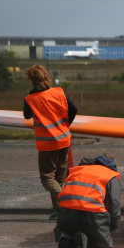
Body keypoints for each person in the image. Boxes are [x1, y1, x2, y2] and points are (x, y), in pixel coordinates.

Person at [23, 65, 78, 219]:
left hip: (48, 143)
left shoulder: (30, 99)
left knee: (47, 177)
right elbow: (74, 108)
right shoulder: (59, 92)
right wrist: (66, 125)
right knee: (59, 177)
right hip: (64, 139)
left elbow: (27, 116)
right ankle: (59, 210)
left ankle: (65, 200)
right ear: (47, 76)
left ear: (32, 80)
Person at [54, 155, 121, 248]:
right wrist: (111, 227)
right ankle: (87, 244)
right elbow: (114, 207)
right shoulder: (111, 175)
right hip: (92, 216)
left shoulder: (76, 171)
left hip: (65, 215)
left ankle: (68, 241)